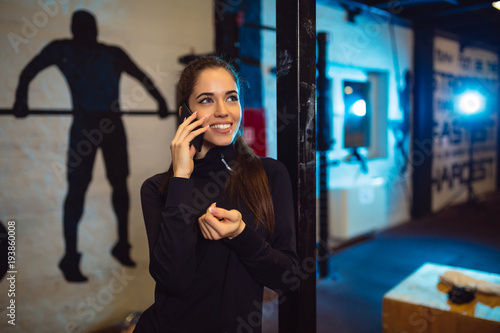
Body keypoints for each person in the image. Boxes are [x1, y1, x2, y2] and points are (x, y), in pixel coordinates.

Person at [133, 56, 298, 332]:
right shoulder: (159, 188)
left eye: (231, 98)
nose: (223, 111)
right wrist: (181, 178)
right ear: (186, 113)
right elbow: (173, 280)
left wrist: (241, 235)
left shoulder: (269, 175)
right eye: (207, 100)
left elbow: (288, 276)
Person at [12, 10, 169, 282]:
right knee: (78, 190)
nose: (86, 33)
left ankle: (121, 245)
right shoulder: (64, 50)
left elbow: (143, 78)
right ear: (75, 30)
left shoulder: (110, 53)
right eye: (82, 28)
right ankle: (70, 257)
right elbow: (28, 72)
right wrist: (21, 99)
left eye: (89, 27)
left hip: (111, 127)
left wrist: (161, 103)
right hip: (86, 127)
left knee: (119, 186)